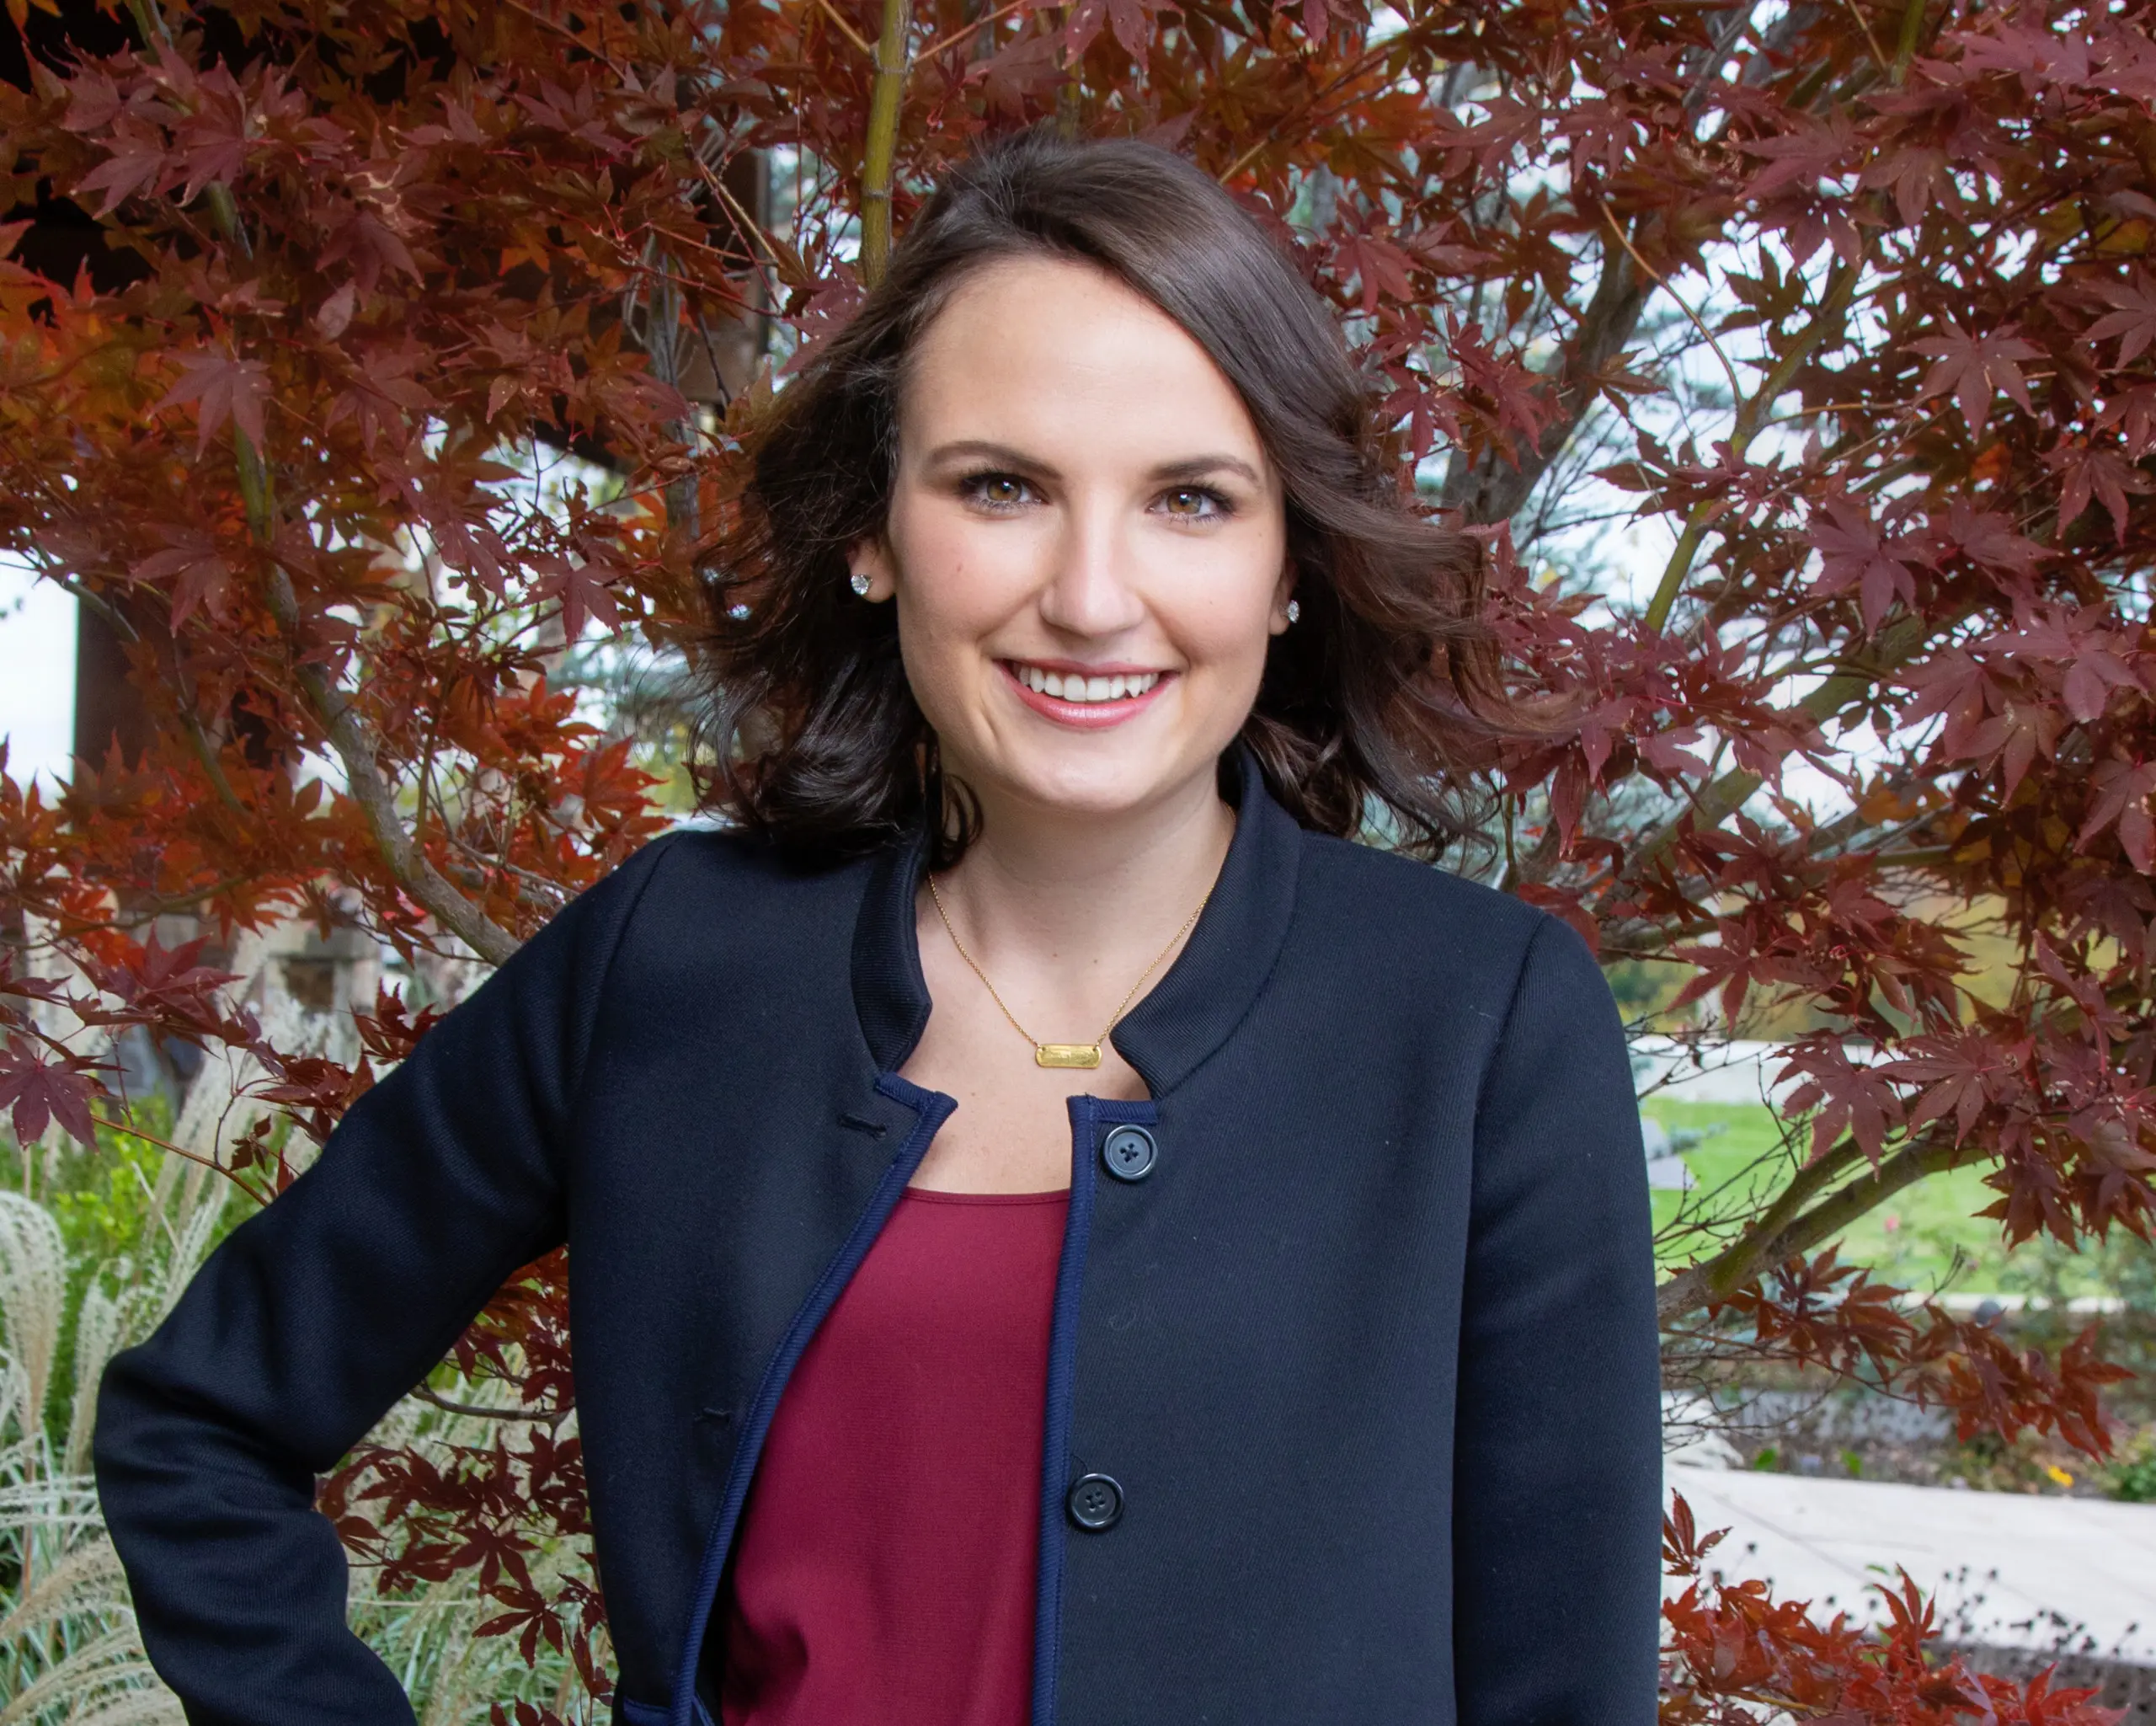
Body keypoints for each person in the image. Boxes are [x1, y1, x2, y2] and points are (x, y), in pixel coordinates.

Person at [94, 125, 1662, 1726]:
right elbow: (196, 1429)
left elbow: (1565, 1689)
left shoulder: (1481, 1026)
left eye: (1192, 500)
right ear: (870, 530)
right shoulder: (672, 966)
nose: (1094, 594)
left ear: (1287, 569)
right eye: (1002, 487)